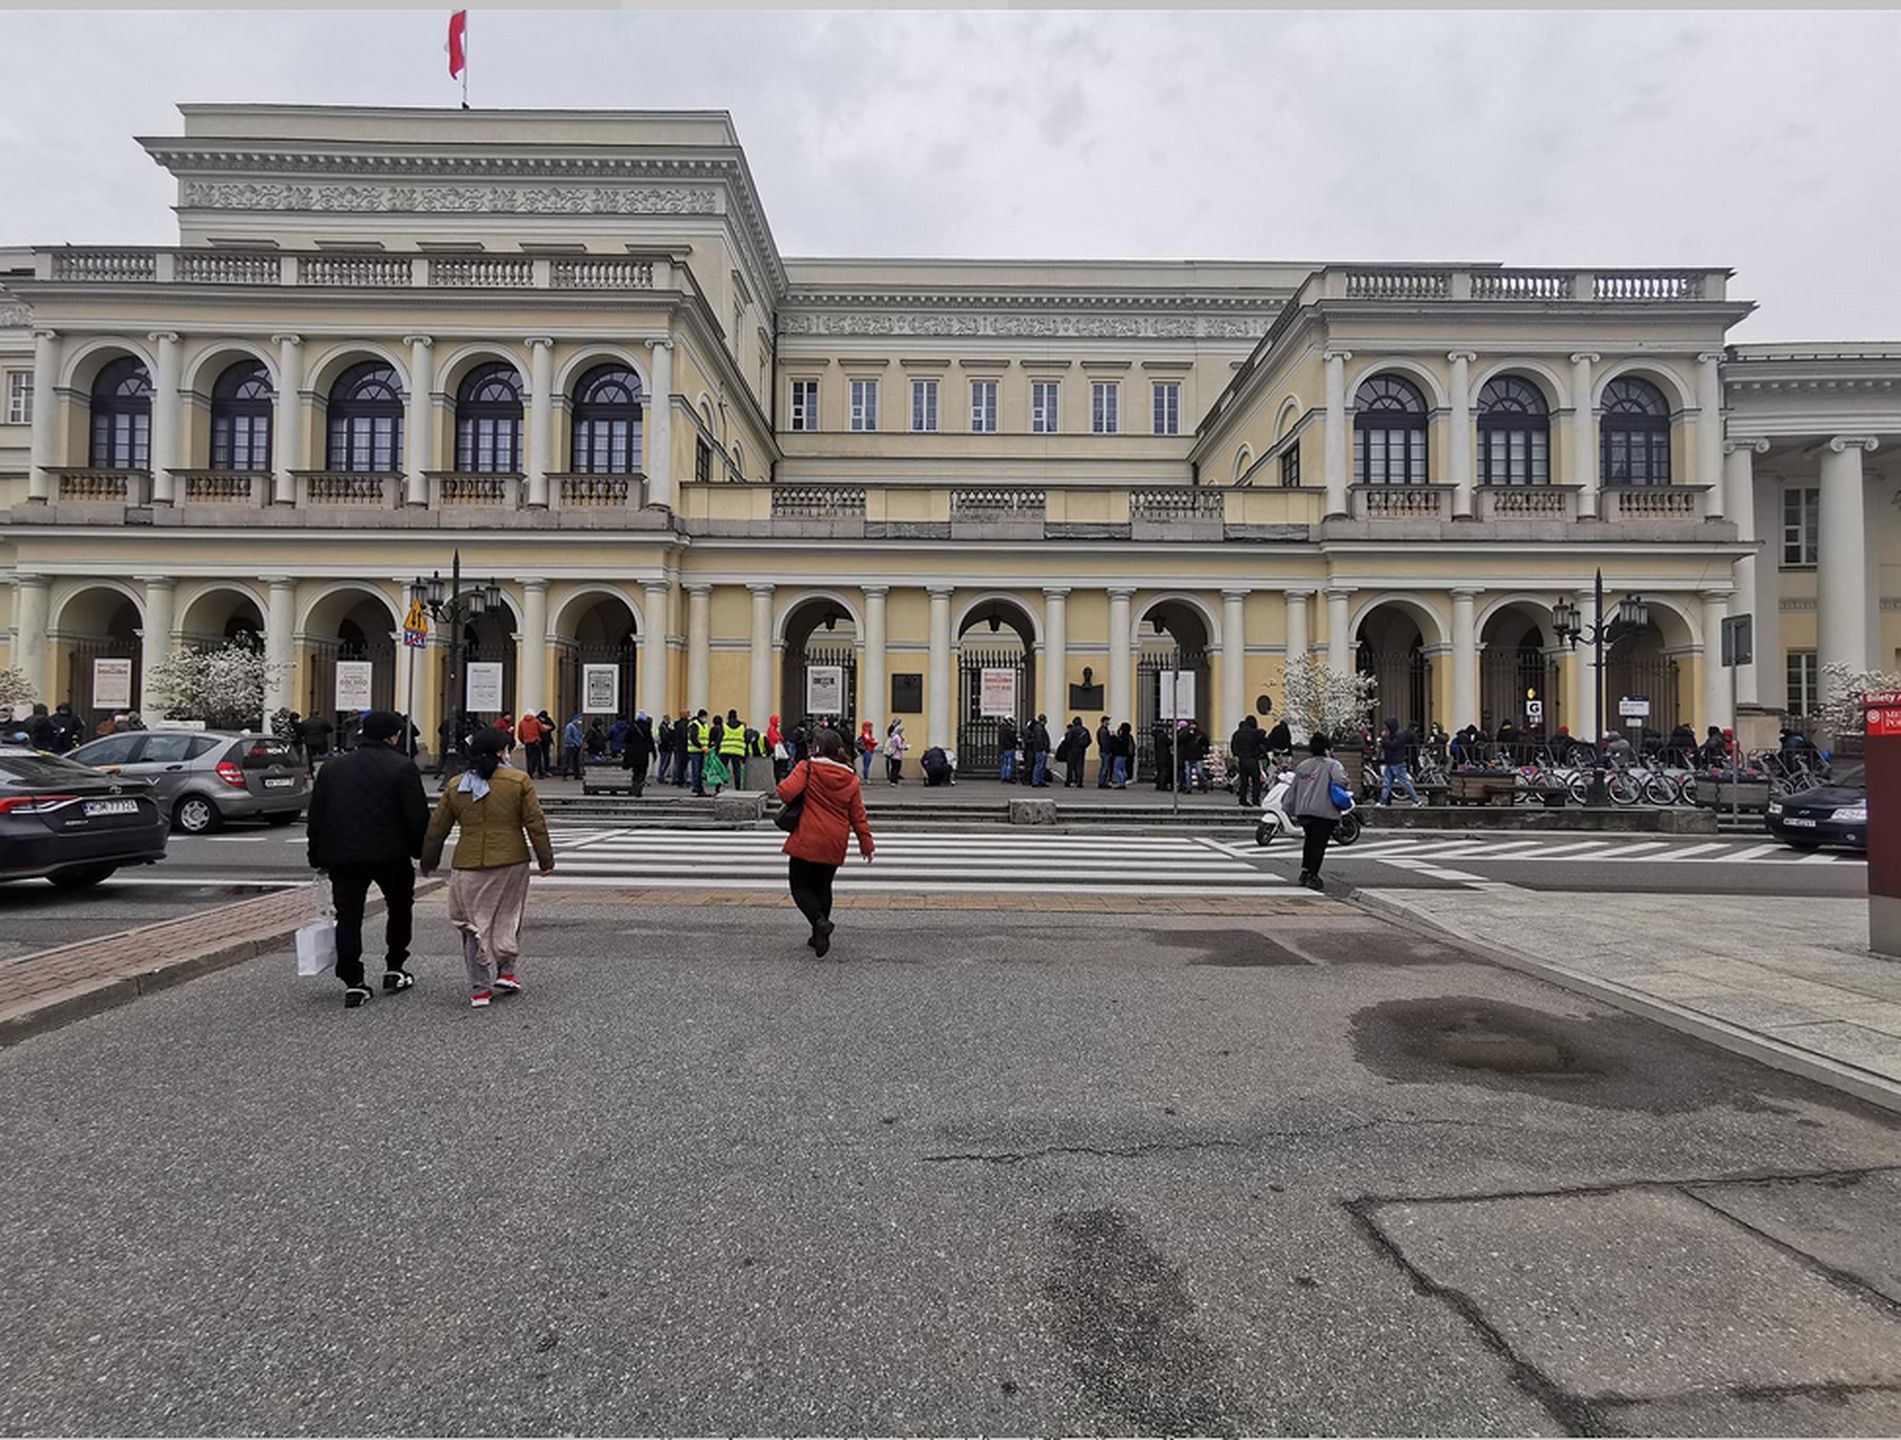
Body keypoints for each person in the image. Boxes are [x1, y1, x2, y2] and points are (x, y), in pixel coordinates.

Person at [421, 726, 555, 1009]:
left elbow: (437, 828)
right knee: (508, 915)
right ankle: (507, 972)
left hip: (468, 863)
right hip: (511, 860)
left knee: (473, 925)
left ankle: (480, 988)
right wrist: (546, 859)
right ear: (501, 752)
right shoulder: (518, 781)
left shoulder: (457, 785)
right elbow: (535, 823)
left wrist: (428, 860)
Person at [305, 709, 429, 1009]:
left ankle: (353, 982)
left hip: (344, 855)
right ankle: (395, 966)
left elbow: (317, 814)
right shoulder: (402, 767)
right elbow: (416, 817)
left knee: (348, 916)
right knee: (399, 908)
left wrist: (316, 854)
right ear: (392, 736)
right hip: (391, 855)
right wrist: (419, 852)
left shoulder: (333, 768)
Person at [776, 727, 875, 958]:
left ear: (817, 748)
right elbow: (857, 814)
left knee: (800, 886)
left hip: (808, 836)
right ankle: (818, 935)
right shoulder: (850, 777)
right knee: (823, 886)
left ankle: (819, 922)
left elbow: (785, 792)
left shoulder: (808, 767)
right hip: (835, 840)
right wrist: (866, 841)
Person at [1289, 732, 1350, 892]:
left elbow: (1294, 788)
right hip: (1324, 810)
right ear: (1327, 749)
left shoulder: (1303, 766)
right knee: (1319, 844)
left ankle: (1305, 871)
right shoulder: (1332, 765)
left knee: (1309, 840)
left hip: (1304, 810)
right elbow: (1341, 781)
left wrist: (1289, 807)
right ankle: (1313, 874)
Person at [1378, 716, 1423, 806]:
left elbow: (1393, 745)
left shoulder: (1400, 735)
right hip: (1391, 762)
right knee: (1387, 783)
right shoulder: (1394, 734)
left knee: (1403, 782)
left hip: (1397, 762)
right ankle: (1382, 801)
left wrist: (1384, 740)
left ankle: (1416, 800)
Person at [1231, 714, 1266, 809]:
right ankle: (1255, 801)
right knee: (1256, 781)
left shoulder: (1237, 734)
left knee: (1244, 781)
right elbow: (1263, 741)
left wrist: (1236, 755)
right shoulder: (1255, 733)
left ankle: (1242, 800)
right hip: (1252, 759)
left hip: (1242, 760)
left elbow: (1233, 746)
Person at [623, 710, 656, 794]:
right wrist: (654, 753)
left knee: (635, 771)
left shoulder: (632, 727)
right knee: (642, 770)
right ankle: (639, 786)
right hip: (643, 753)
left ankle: (634, 786)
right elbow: (650, 741)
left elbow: (626, 739)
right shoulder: (647, 728)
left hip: (633, 753)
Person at [720, 708, 749, 789]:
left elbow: (719, 739)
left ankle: (718, 786)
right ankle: (737, 787)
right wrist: (745, 754)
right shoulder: (742, 727)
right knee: (737, 770)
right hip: (737, 751)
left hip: (725, 750)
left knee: (722, 769)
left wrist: (717, 750)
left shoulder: (724, 726)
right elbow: (745, 740)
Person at [1060, 716, 1091, 788]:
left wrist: (1068, 747)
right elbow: (1089, 741)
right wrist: (1084, 747)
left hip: (1072, 751)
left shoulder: (1071, 730)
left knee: (1070, 767)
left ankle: (1069, 781)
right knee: (1080, 766)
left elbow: (1067, 740)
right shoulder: (1085, 730)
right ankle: (1079, 782)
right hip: (1081, 751)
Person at [1179, 721, 1208, 793]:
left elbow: (1206, 742)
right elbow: (1181, 739)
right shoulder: (1186, 733)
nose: (1193, 727)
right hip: (1188, 756)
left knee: (1199, 772)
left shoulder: (1200, 734)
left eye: (1194, 725)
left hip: (1198, 756)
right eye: (1191, 725)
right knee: (1188, 773)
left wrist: (1205, 750)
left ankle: (1202, 784)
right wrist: (1188, 733)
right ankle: (1188, 787)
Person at [1026, 714, 1052, 788]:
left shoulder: (1039, 727)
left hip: (1040, 749)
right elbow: (1039, 740)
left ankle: (1039, 780)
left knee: (1041, 766)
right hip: (1040, 750)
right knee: (1039, 766)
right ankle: (1036, 781)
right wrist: (1043, 749)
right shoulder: (1039, 728)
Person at [517, 709, 545, 778]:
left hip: (527, 742)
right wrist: (546, 728)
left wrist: (522, 740)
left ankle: (530, 773)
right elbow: (542, 729)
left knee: (529, 759)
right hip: (535, 741)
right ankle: (540, 773)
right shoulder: (536, 721)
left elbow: (520, 734)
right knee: (538, 758)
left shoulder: (521, 722)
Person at [883, 717, 909, 784]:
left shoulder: (894, 736)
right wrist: (905, 747)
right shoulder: (896, 736)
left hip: (892, 753)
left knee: (893, 767)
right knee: (896, 767)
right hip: (896, 754)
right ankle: (893, 779)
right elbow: (899, 746)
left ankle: (893, 778)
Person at [671, 708, 692, 785]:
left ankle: (680, 779)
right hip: (683, 747)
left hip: (679, 747)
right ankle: (681, 780)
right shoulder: (684, 725)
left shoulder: (678, 724)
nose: (689, 715)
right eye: (688, 714)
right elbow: (684, 736)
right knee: (681, 764)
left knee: (680, 764)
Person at [561, 712, 584, 780]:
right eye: (579, 720)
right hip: (570, 746)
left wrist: (580, 742)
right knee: (568, 760)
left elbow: (579, 735)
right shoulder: (570, 726)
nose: (580, 721)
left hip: (576, 746)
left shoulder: (577, 727)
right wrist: (575, 742)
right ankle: (564, 774)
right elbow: (568, 737)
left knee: (576, 761)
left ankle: (577, 774)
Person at [1111, 722, 1134, 788]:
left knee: (1117, 769)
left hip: (1120, 754)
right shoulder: (1129, 736)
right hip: (1125, 755)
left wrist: (1114, 738)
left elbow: (1119, 745)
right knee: (1123, 769)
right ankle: (1123, 782)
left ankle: (1121, 783)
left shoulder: (1122, 737)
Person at [997, 716, 1019, 783]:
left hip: (1002, 748)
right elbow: (1013, 738)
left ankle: (1003, 777)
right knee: (1009, 763)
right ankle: (1008, 777)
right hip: (1009, 748)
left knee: (1004, 763)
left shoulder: (1001, 728)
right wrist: (1016, 741)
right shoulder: (1009, 729)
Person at [1094, 716, 1115, 788]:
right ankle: (1102, 782)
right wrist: (1108, 750)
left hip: (1103, 750)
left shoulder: (1103, 730)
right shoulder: (1103, 730)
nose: (1108, 722)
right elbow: (1104, 742)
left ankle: (1102, 781)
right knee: (1105, 767)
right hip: (1105, 751)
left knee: (1104, 766)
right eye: (1107, 721)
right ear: (1103, 722)